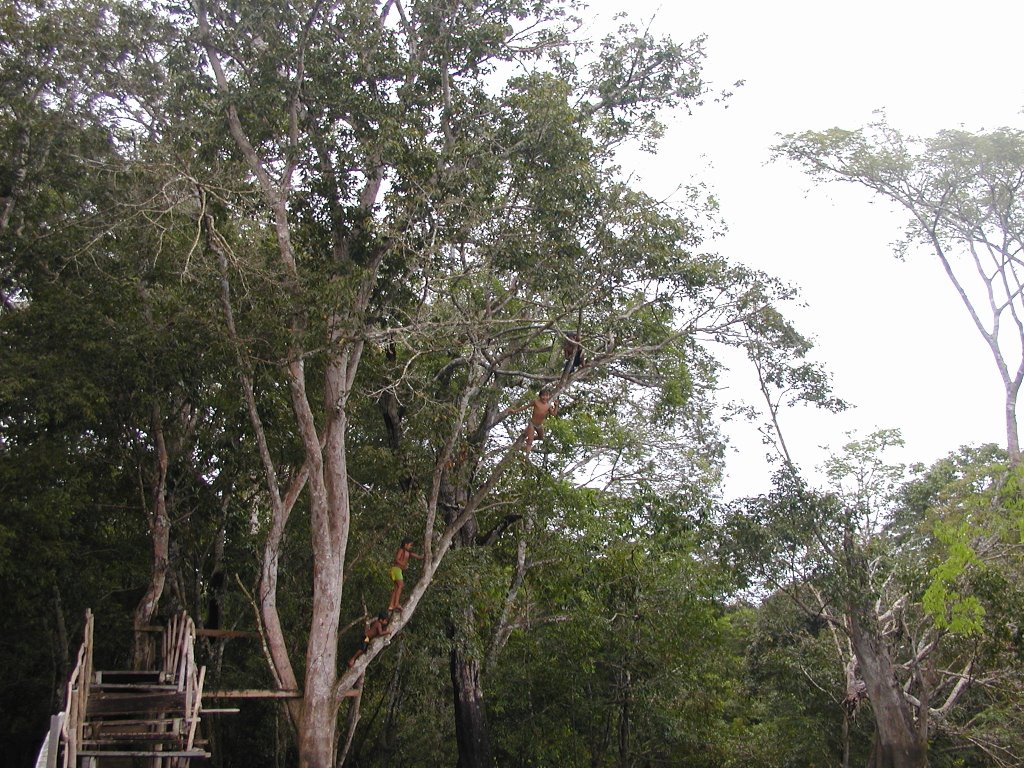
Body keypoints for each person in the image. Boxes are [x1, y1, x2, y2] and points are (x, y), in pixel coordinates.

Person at [515, 387, 557, 452]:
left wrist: (556, 406)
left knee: (541, 437)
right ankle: (526, 456)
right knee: (530, 442)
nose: (545, 397)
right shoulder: (536, 402)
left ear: (548, 396)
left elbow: (553, 414)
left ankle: (528, 439)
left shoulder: (548, 406)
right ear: (540, 396)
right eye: (543, 395)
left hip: (539, 425)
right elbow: (526, 407)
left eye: (547, 396)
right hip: (532, 424)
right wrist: (515, 410)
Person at [388, 538, 423, 611]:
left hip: (398, 570)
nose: (411, 547)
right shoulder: (401, 550)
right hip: (396, 569)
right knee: (401, 585)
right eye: (410, 545)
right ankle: (396, 603)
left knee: (397, 587)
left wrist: (425, 556)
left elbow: (419, 557)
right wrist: (404, 564)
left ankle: (391, 605)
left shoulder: (408, 553)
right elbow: (397, 559)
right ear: (405, 544)